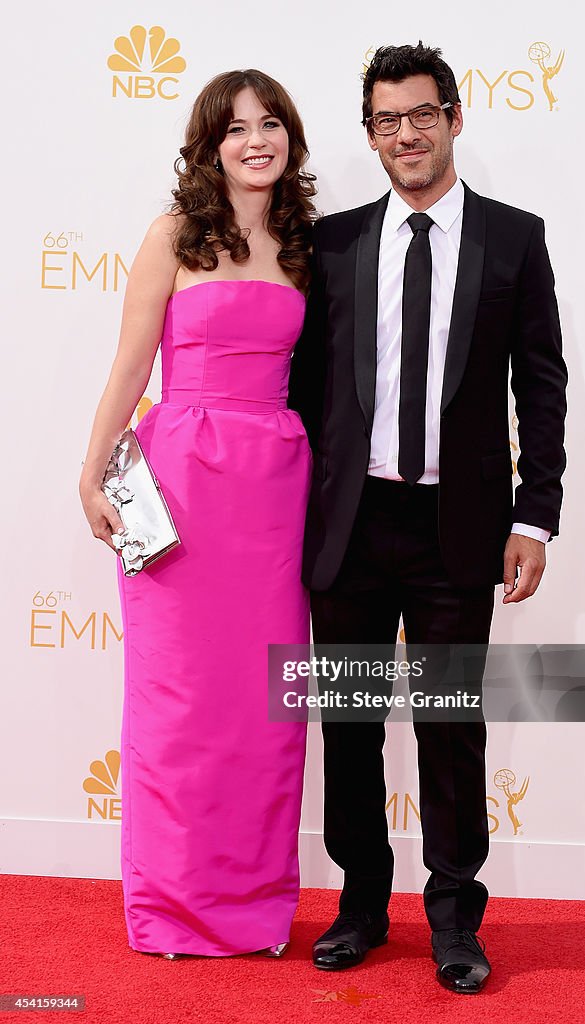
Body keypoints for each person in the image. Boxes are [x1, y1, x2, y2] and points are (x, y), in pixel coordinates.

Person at [288, 43, 567, 994]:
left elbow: (542, 386)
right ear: (369, 133)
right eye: (384, 120)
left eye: (420, 114)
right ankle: (363, 906)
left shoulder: (514, 240)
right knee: (352, 724)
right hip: (353, 528)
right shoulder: (330, 246)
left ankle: (455, 921)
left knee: (451, 727)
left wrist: (536, 517)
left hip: (461, 530)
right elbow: (302, 392)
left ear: (454, 116)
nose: (403, 133)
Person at [79, 70, 316, 958]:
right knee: (178, 701)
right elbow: (131, 367)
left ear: (290, 138)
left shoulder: (304, 245)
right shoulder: (173, 234)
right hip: (177, 482)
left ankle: (255, 908)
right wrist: (94, 473)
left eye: (272, 125)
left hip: (275, 489)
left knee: (266, 706)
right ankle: (174, 909)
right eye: (237, 128)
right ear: (210, 143)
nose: (257, 140)